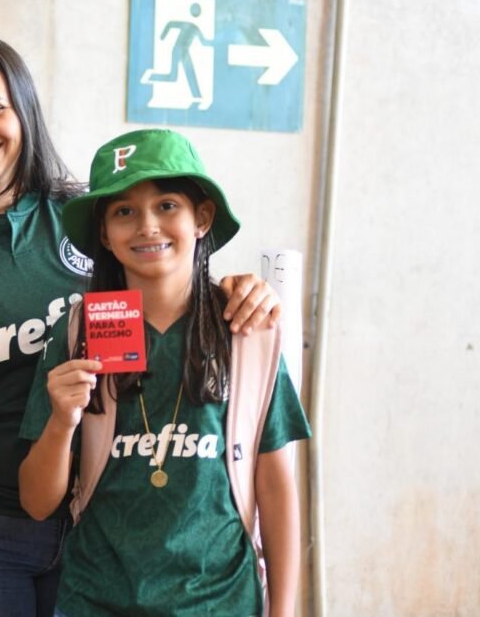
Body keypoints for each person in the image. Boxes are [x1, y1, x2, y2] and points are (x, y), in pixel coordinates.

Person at [0, 36, 282, 617]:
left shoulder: (87, 216)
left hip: (102, 522)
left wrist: (238, 293)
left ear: (24, 113)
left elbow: (170, 282)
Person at [17, 129, 311, 617]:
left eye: (167, 205)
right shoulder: (76, 334)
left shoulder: (246, 331)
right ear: (104, 234)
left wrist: (282, 611)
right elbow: (36, 502)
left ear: (202, 218)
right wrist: (62, 421)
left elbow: (275, 487)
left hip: (221, 604)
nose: (148, 226)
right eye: (124, 212)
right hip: (97, 601)